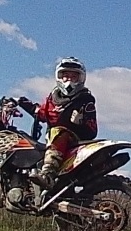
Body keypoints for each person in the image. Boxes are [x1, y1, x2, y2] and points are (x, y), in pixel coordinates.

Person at [18, 57, 98, 189]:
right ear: (59, 77)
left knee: (58, 131)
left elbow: (93, 131)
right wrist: (22, 102)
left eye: (74, 76)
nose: (69, 80)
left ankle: (47, 174)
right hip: (53, 141)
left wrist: (80, 123)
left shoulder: (85, 100)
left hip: (75, 141)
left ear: (81, 78)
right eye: (66, 76)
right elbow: (42, 114)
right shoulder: (53, 98)